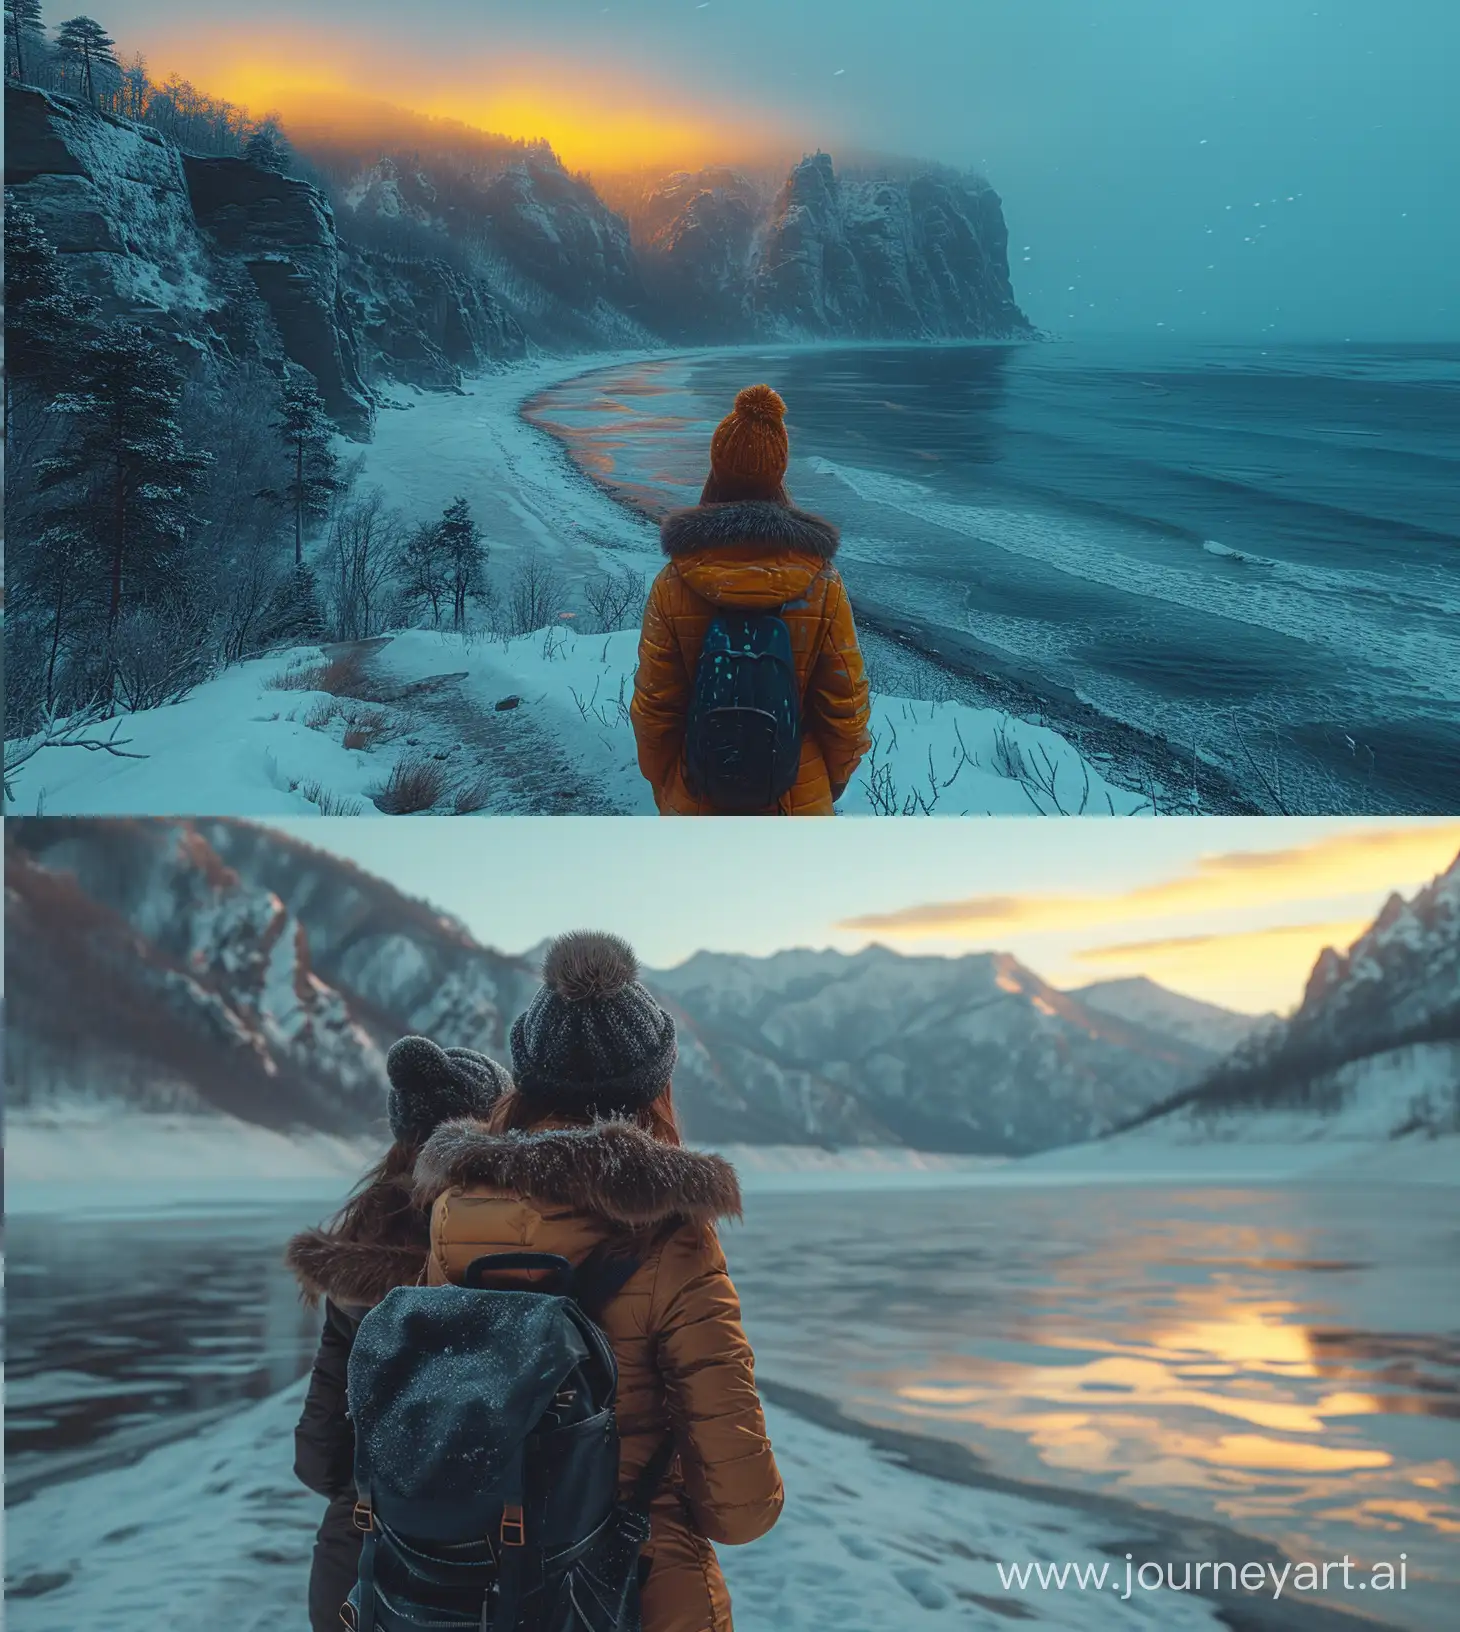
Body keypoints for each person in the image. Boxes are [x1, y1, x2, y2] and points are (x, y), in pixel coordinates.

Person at [414, 932, 781, 1632]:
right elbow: (743, 1508)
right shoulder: (673, 1240)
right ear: (654, 1088)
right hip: (636, 1590)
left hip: (480, 1586)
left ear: (526, 1083)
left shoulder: (454, 1218)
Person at [286, 1035, 512, 1632]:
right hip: (482, 1570)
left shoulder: (356, 1260)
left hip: (358, 1567)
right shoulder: (513, 1258)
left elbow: (316, 1457)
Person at [630, 384, 871, 814]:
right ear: (779, 472)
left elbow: (654, 710)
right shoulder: (822, 583)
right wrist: (826, 783)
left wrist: (668, 784)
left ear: (715, 468)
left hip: (697, 793)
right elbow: (846, 710)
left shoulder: (674, 582)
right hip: (798, 801)